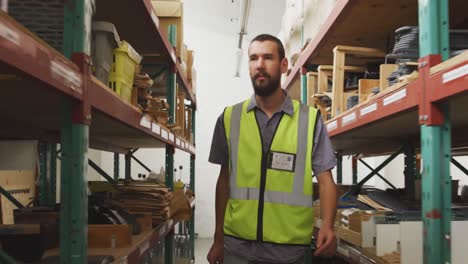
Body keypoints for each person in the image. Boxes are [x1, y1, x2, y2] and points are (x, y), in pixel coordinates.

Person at [207, 34, 338, 264]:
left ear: (284, 65)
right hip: (238, 247)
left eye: (268, 57)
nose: (259, 64)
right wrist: (218, 238)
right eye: (253, 58)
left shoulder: (309, 120)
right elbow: (224, 182)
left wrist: (328, 225)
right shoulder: (229, 118)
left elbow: (326, 180)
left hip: (289, 251)